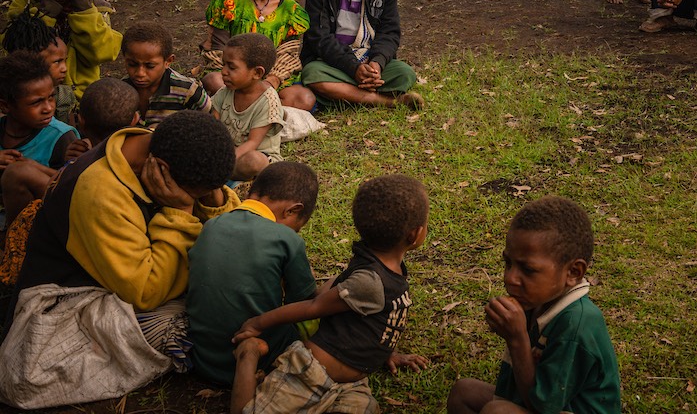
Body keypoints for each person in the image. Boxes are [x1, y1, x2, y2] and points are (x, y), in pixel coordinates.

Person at [13, 111, 238, 370]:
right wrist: (181, 212)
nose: (197, 198)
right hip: (67, 297)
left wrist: (213, 200)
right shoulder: (100, 192)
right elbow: (145, 293)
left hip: (125, 268)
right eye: (194, 194)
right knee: (208, 320)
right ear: (162, 171)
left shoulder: (166, 147)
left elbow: (229, 233)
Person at [230, 174, 430, 414]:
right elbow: (313, 307)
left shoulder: (381, 267)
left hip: (352, 382)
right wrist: (259, 323)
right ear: (415, 235)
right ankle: (248, 354)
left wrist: (385, 353)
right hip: (311, 373)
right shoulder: (370, 281)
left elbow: (372, 321)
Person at [446, 195, 620, 414]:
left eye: (528, 270)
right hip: (545, 401)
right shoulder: (537, 302)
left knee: (497, 412)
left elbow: (543, 407)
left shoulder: (577, 325)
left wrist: (517, 339)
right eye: (508, 263)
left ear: (573, 272)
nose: (510, 278)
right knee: (464, 393)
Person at [187, 161, 319, 387]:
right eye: (296, 226)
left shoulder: (211, 225)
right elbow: (305, 306)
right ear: (293, 210)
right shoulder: (286, 239)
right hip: (261, 357)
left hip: (203, 360)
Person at [0, 78, 138, 289]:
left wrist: (72, 164)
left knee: (20, 173)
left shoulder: (71, 149)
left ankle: (14, 255)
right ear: (136, 119)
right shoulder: (143, 153)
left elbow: (66, 186)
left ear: (80, 121)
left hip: (80, 250)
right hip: (124, 258)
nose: (47, 108)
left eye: (51, 97)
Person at [300, 0, 424, 109]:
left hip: (367, 59)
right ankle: (387, 102)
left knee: (405, 74)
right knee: (311, 73)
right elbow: (319, 37)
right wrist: (353, 68)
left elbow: (389, 33)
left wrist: (377, 65)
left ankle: (344, 94)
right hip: (331, 62)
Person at [201, 0, 315, 111]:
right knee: (214, 81)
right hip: (232, 76)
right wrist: (241, 77)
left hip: (269, 79)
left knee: (304, 98)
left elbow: (287, 54)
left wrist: (271, 81)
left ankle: (249, 108)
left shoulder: (291, 11)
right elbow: (217, 49)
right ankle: (261, 111)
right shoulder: (228, 1)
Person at [5, 0, 123, 101]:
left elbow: (103, 53)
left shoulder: (91, 5)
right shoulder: (25, 4)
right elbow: (19, 55)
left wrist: (83, 8)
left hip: (83, 101)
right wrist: (49, 8)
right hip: (37, 98)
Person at [0, 53, 80, 219]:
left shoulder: (61, 138)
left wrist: (30, 169)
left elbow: (72, 190)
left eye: (51, 97)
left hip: (38, 225)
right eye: (36, 102)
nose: (48, 108)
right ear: (6, 106)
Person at [212, 33, 286, 181]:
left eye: (231, 67)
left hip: (256, 155)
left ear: (257, 73)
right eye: (223, 65)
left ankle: (217, 174)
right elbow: (212, 127)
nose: (224, 72)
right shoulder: (225, 92)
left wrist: (224, 161)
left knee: (254, 161)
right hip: (227, 153)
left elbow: (253, 142)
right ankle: (219, 173)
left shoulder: (268, 101)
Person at [121, 22, 212, 127]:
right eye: (132, 64)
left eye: (150, 66)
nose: (140, 73)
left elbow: (212, 122)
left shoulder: (188, 91)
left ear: (168, 61)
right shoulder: (120, 92)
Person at [2, 10, 75, 125]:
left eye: (65, 61)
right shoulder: (8, 93)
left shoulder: (64, 94)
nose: (64, 68)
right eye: (57, 62)